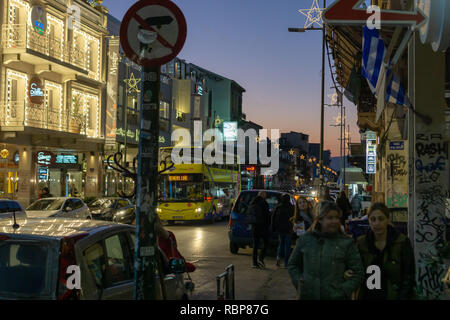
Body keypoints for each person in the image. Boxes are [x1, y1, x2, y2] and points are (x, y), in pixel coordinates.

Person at [287, 201, 364, 300]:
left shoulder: (346, 243)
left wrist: (343, 290)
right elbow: (293, 264)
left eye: (337, 217)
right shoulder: (306, 239)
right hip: (308, 295)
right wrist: (300, 283)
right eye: (330, 218)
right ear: (320, 219)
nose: (335, 221)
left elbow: (358, 272)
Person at [356, 203, 416, 300]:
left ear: (387, 220)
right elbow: (357, 270)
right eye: (373, 219)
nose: (377, 223)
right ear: (369, 221)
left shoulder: (401, 242)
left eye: (381, 219)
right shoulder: (362, 243)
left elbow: (408, 275)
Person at [248, 191, 271, 269]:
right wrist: (268, 225)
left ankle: (254, 263)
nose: (266, 196)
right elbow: (267, 216)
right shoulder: (264, 203)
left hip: (254, 227)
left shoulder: (252, 202)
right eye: (265, 195)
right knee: (266, 243)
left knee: (255, 245)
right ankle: (261, 258)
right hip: (263, 227)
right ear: (263, 195)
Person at [272, 194, 294, 268]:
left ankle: (278, 258)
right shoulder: (291, 207)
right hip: (288, 229)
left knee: (281, 244)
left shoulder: (278, 207)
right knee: (287, 246)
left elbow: (273, 217)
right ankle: (286, 263)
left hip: (280, 229)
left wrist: (273, 227)